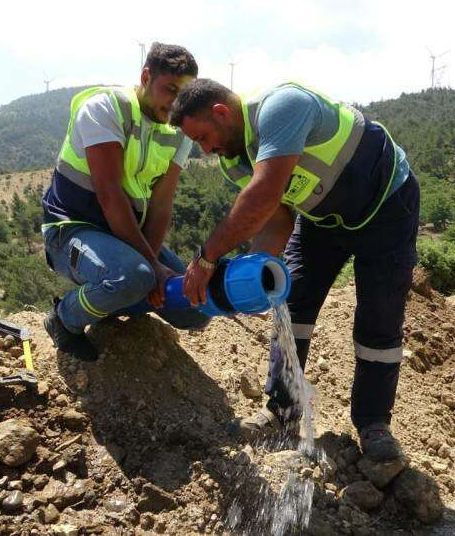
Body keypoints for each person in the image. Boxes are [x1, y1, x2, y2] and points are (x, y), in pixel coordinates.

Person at [169, 79, 419, 462]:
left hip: (385, 206)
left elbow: (264, 193)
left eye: (203, 137)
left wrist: (207, 258)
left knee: (379, 318)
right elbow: (275, 220)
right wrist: (255, 276)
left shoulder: (282, 106)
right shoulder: (233, 161)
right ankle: (282, 410)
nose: (206, 149)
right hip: (322, 219)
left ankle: (373, 424)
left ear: (221, 112)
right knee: (294, 302)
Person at [41, 43, 209, 362]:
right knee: (132, 277)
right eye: (169, 89)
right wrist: (151, 268)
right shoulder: (105, 108)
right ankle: (65, 317)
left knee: (195, 309)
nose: (176, 102)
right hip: (73, 231)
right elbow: (110, 195)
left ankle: (110, 299)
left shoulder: (179, 132)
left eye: (183, 94)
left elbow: (161, 204)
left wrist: (156, 266)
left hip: (126, 237)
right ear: (146, 76)